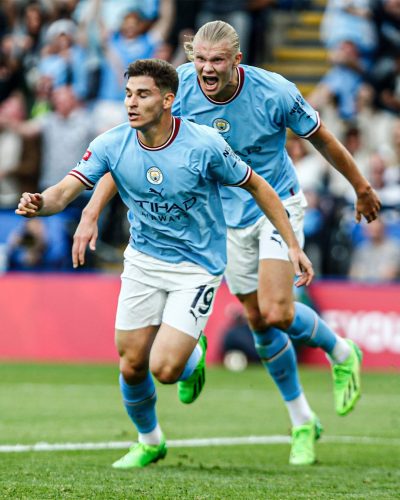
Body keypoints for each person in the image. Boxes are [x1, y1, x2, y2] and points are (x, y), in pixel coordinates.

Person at [71, 21, 381, 466]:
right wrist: (91, 211)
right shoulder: (177, 90)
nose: (207, 69)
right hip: (225, 217)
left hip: (276, 203)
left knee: (277, 311)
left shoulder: (275, 92)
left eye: (217, 60)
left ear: (237, 60)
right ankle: (302, 420)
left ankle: (341, 351)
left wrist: (361, 187)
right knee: (258, 322)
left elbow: (323, 140)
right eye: (199, 59)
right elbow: (128, 153)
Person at [16, 58, 314, 469]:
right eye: (128, 94)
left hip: (197, 266)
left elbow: (258, 185)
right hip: (144, 262)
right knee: (131, 364)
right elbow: (65, 191)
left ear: (168, 100)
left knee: (166, 368)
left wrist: (292, 244)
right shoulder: (112, 143)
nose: (131, 103)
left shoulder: (204, 144)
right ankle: (150, 440)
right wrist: (40, 203)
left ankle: (190, 354)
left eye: (143, 95)